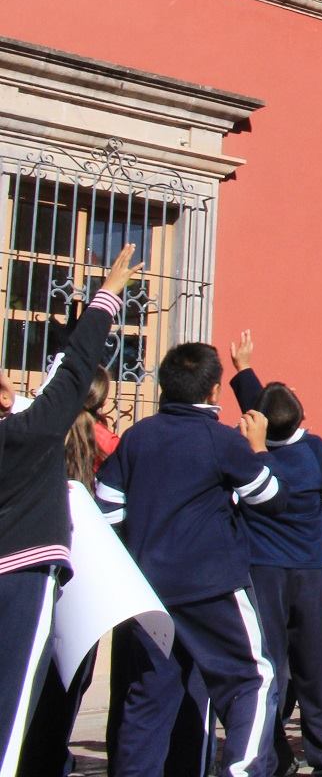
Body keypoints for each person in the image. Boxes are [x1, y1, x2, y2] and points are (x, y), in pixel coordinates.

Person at [97, 328, 286, 777]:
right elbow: (270, 497)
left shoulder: (137, 437)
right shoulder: (220, 440)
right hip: (212, 587)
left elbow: (106, 508)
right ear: (215, 389)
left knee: (150, 692)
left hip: (147, 589)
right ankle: (240, 770)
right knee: (253, 681)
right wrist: (260, 450)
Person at [3, 247, 135, 777]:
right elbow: (77, 366)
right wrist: (107, 297)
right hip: (24, 574)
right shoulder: (31, 433)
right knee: (14, 708)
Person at [223, 334, 322, 777]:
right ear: (302, 419)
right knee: (319, 672)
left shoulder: (247, 452)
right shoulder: (315, 451)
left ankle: (272, 754)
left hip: (262, 572)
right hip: (314, 571)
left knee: (268, 668)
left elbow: (264, 421)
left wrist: (242, 370)